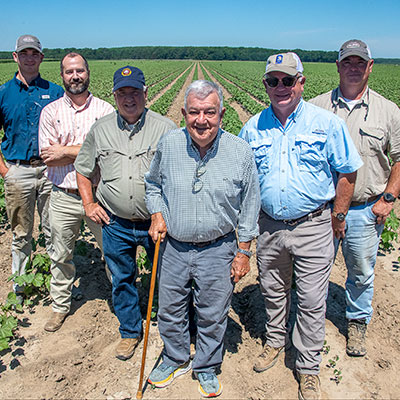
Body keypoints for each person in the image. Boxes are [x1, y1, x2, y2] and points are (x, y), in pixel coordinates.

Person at [239, 53, 362, 400]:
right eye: (273, 81)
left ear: (301, 83)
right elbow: (243, 179)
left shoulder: (326, 123)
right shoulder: (252, 127)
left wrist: (338, 216)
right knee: (273, 290)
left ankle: (308, 367)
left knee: (310, 300)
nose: (280, 87)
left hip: (313, 225)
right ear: (265, 85)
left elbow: (348, 172)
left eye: (287, 80)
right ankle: (276, 342)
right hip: (268, 227)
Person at [145, 80, 260, 398]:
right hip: (173, 246)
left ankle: (207, 365)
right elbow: (152, 184)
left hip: (218, 247)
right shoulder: (168, 144)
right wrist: (156, 213)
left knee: (213, 311)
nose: (202, 119)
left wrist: (244, 251)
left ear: (222, 114)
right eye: (194, 112)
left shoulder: (240, 152)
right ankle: (175, 358)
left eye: (210, 111)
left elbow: (250, 205)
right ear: (183, 113)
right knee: (170, 309)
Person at [74, 66, 177, 360]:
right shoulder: (101, 129)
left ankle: (175, 329)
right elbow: (83, 170)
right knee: (121, 278)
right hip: (115, 223)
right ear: (114, 95)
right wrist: (89, 204)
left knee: (167, 278)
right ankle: (130, 332)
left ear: (146, 93)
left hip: (155, 221)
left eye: (135, 92)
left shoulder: (165, 128)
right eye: (122, 93)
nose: (129, 98)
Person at [310, 40, 400, 357]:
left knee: (360, 272)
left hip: (364, 210)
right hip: (321, 211)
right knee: (315, 269)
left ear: (370, 66)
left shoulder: (389, 112)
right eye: (347, 62)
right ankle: (309, 324)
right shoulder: (316, 107)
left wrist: (388, 198)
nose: (353, 67)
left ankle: (357, 322)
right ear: (337, 66)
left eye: (359, 62)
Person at [38, 52, 115, 332]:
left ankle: (121, 302)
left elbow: (106, 154)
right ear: (62, 76)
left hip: (99, 197)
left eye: (80, 71)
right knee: (60, 254)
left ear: (88, 72)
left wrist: (66, 150)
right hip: (62, 195)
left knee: (113, 253)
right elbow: (49, 156)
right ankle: (60, 306)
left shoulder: (105, 110)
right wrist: (85, 149)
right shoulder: (51, 112)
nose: (75, 76)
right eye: (69, 72)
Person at [0, 35, 64, 300]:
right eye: (23, 53)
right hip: (18, 171)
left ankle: (55, 283)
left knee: (54, 230)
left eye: (34, 53)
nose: (29, 58)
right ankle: (20, 286)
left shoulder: (56, 92)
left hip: (50, 171)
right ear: (15, 57)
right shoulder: (3, 93)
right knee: (21, 234)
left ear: (41, 57)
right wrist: (6, 171)